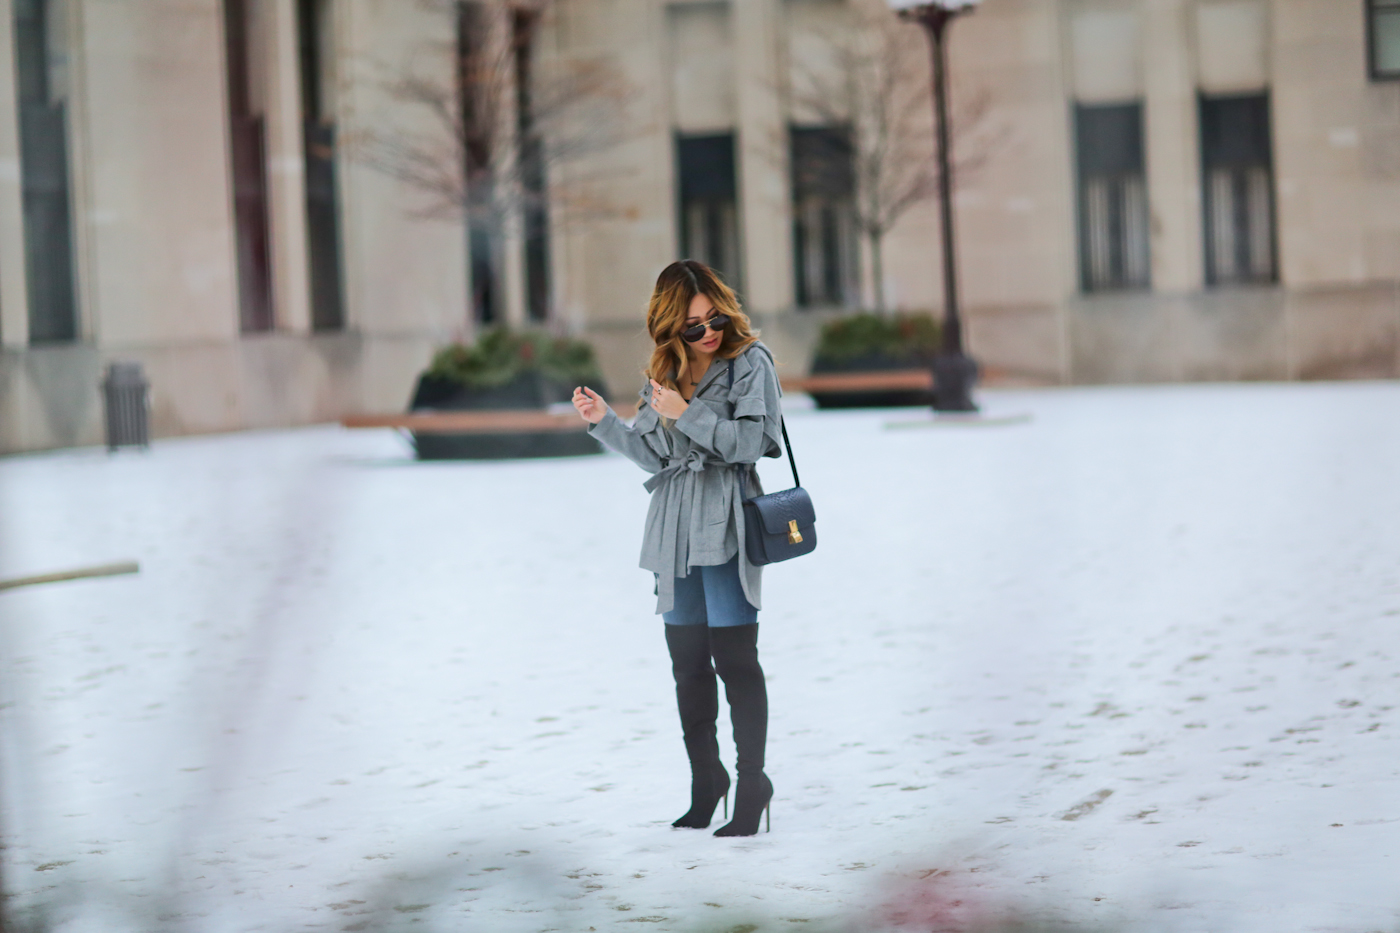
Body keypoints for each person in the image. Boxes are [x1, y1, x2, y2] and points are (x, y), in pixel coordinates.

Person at [571, 259, 784, 837]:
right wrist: (604, 423)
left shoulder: (749, 364)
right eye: (693, 326)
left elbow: (750, 444)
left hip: (727, 524)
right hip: (674, 531)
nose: (708, 333)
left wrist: (686, 413)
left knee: (735, 661)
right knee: (687, 666)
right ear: (670, 328)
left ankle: (753, 782)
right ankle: (705, 780)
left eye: (714, 318)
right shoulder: (665, 370)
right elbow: (655, 456)